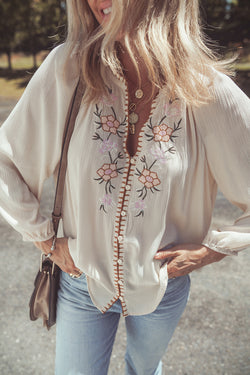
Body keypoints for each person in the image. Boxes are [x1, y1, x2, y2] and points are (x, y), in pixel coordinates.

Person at [0, 0, 249, 374]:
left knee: (144, 370)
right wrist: (44, 238)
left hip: (162, 287)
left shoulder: (206, 89)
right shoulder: (68, 69)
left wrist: (210, 250)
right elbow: (6, 161)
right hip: (80, 281)